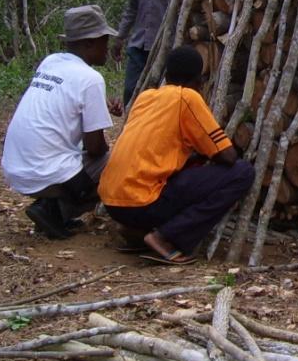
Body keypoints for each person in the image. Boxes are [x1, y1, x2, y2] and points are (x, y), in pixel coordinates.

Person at [98, 46, 254, 263]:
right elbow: (227, 156)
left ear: (167, 75)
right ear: (199, 81)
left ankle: (134, 232)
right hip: (142, 204)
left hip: (111, 202)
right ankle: (168, 237)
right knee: (242, 172)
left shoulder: (146, 97)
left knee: (186, 166)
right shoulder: (187, 97)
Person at [1, 5, 123, 239]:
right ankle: (57, 209)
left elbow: (62, 96)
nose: (107, 48)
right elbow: (95, 148)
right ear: (89, 43)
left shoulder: (51, 62)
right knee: (120, 164)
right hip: (43, 172)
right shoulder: (91, 79)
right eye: (104, 41)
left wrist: (100, 106)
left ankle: (53, 210)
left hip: (15, 168)